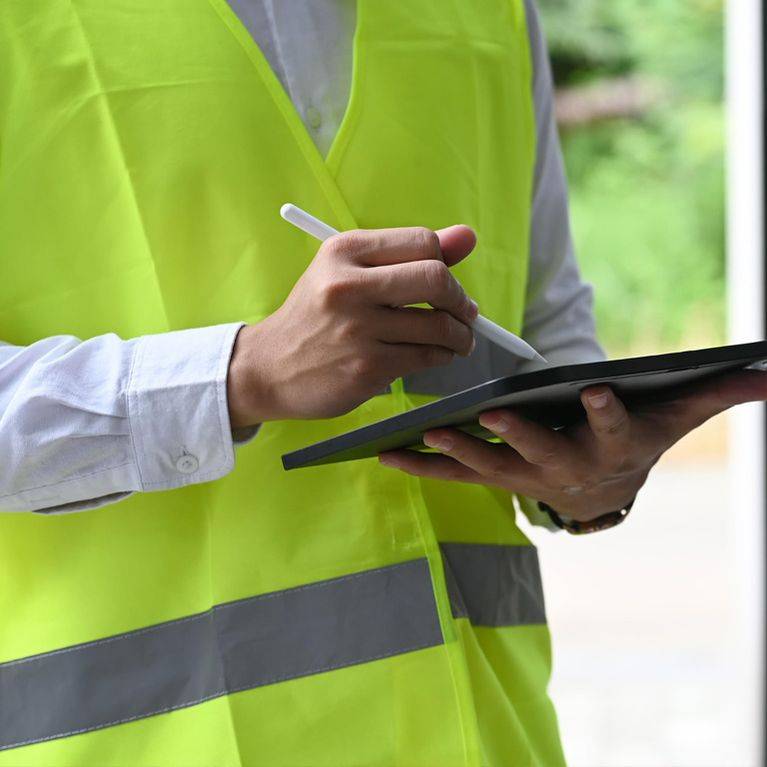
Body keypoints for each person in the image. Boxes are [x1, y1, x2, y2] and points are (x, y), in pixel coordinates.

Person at [0, 1, 763, 765]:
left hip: (484, 735)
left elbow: (549, 322)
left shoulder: (494, 12)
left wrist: (592, 476)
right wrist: (238, 376)